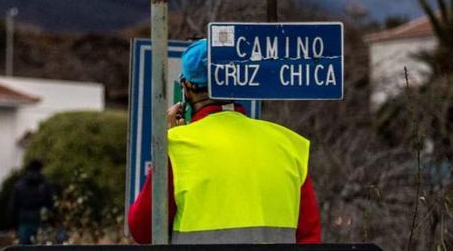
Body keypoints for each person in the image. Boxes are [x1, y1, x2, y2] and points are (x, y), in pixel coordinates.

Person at [127, 39, 322, 244]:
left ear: (186, 89)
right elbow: (309, 237)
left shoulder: (176, 146)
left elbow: (143, 230)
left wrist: (167, 142)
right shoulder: (289, 144)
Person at [11, 160, 54, 245]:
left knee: (24, 246)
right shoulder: (43, 184)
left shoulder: (19, 185)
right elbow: (50, 203)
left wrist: (13, 225)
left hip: (24, 220)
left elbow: (13, 207)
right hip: (40, 221)